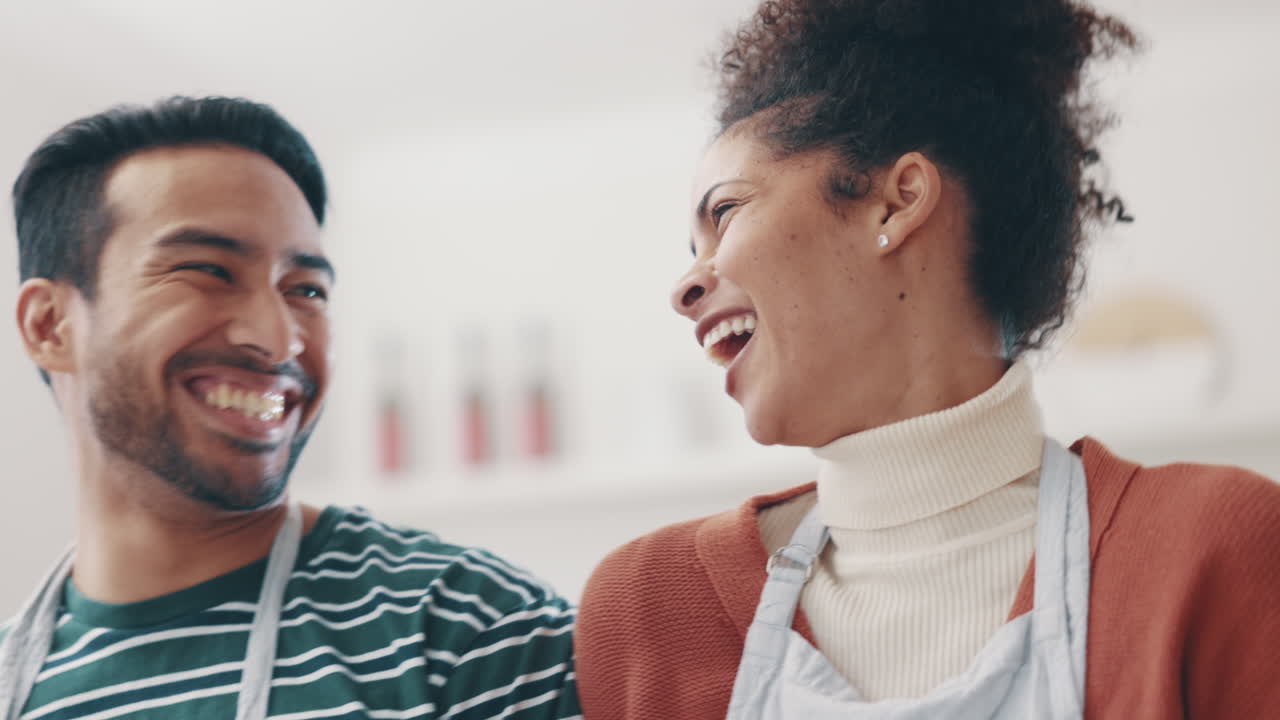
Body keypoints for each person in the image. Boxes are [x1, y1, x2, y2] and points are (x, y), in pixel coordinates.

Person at [574, 0, 1280, 718]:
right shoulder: (648, 611)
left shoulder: (1216, 549)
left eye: (723, 214)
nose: (685, 285)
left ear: (897, 201)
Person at [0, 97, 579, 720]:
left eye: (305, 290)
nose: (278, 340)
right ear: (50, 325)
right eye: (208, 270)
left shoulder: (468, 629)